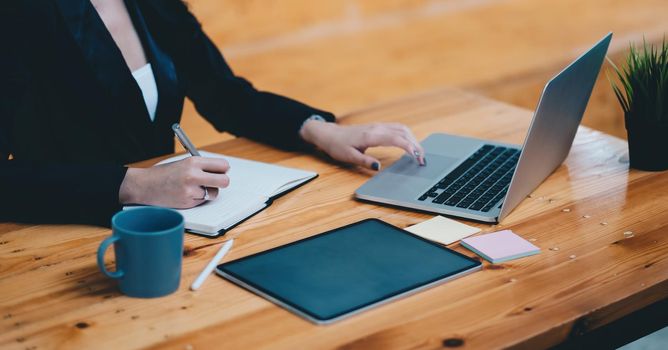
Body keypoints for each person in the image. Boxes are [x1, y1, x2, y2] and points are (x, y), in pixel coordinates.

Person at [0, 0, 425, 226]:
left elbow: (224, 94)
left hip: (179, 228)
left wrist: (319, 130)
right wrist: (133, 184)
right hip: (61, 235)